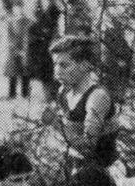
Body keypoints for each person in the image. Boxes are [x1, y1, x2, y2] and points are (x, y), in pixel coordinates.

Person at [48, 35, 122, 178]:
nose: (57, 71)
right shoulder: (64, 92)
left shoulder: (97, 96)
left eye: (64, 65)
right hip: (78, 170)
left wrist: (56, 124)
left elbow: (88, 147)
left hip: (106, 174)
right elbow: (70, 135)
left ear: (84, 66)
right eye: (55, 64)